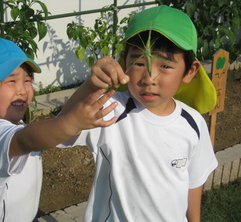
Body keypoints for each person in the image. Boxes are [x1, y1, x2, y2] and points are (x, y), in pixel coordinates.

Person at [58, 5, 218, 222]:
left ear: (190, 71)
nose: (149, 78)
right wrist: (89, 86)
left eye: (165, 66)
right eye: (139, 63)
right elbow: (61, 131)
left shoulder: (193, 123)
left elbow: (193, 182)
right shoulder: (111, 110)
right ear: (124, 61)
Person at [0, 36, 119, 222]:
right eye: (11, 81)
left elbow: (58, 125)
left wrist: (90, 86)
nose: (22, 90)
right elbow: (26, 139)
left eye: (27, 81)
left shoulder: (15, 125)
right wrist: (73, 122)